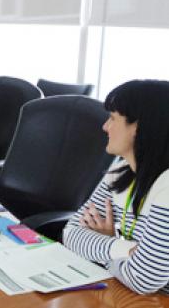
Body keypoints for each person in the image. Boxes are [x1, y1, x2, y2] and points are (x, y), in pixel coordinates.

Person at [63, 79, 169, 295]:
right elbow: (71, 234)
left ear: (139, 128)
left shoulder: (166, 186)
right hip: (127, 295)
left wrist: (101, 249)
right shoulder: (120, 172)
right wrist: (120, 247)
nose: (105, 126)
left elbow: (143, 279)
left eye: (112, 118)